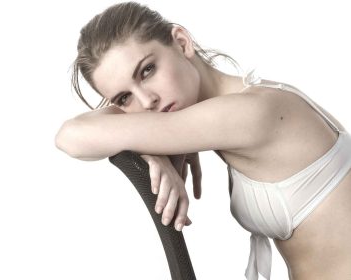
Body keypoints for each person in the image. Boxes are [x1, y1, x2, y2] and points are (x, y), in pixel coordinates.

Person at [55, 2, 351, 279]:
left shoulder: (249, 113)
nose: (147, 101)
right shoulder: (245, 100)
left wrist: (152, 139)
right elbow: (82, 132)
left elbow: (71, 137)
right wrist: (153, 149)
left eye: (147, 70)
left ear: (182, 43)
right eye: (124, 98)